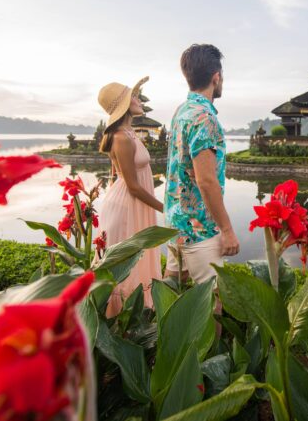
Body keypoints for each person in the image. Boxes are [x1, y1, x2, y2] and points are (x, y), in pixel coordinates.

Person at [164, 44, 239, 285]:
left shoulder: (181, 112)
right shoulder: (204, 118)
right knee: (211, 307)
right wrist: (226, 230)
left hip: (175, 223)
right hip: (201, 230)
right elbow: (205, 180)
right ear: (216, 77)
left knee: (171, 297)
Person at [97, 77, 164, 317]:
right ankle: (119, 320)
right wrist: (164, 207)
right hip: (127, 205)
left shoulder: (128, 132)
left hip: (133, 203)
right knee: (127, 267)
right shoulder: (121, 137)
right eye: (133, 96)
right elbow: (133, 186)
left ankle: (138, 318)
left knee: (139, 260)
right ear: (124, 105)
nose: (138, 99)